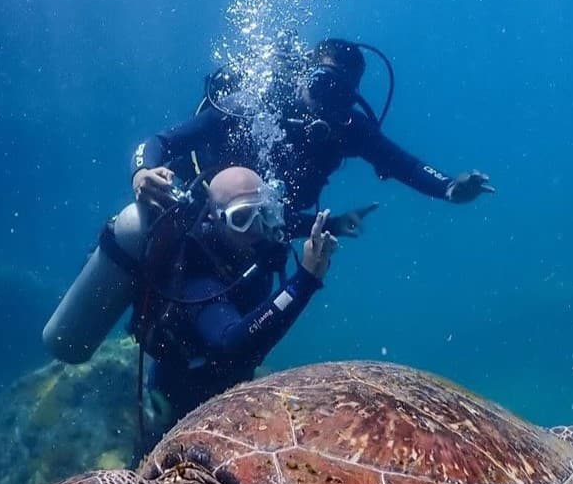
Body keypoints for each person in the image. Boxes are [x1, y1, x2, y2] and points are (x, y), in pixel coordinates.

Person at [130, 37, 495, 237]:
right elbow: (161, 142)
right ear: (304, 74)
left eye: (341, 92)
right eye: (324, 83)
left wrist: (449, 188)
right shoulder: (253, 104)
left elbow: (405, 166)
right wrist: (142, 171)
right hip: (196, 219)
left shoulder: (350, 129)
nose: (328, 99)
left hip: (264, 236)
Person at [130, 166, 336, 427]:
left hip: (233, 389)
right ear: (216, 220)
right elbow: (230, 345)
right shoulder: (196, 270)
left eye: (265, 212)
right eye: (242, 218)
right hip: (181, 397)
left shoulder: (257, 247)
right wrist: (303, 281)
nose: (258, 227)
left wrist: (335, 224)